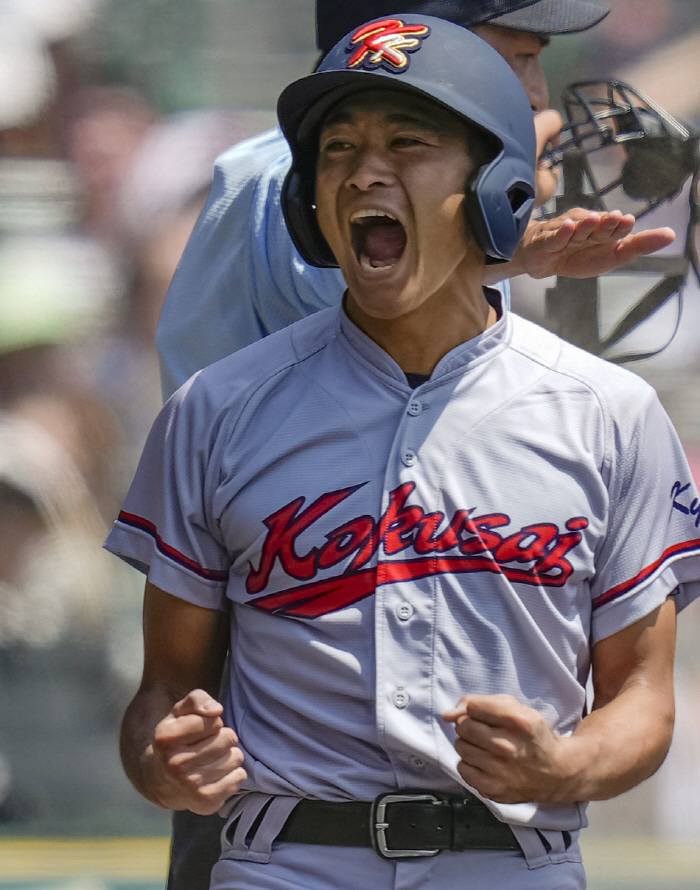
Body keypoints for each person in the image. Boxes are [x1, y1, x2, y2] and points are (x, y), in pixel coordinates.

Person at [106, 15, 700, 890]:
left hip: (515, 862)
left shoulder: (608, 413)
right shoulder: (218, 406)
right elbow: (162, 696)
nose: (363, 170)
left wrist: (566, 769)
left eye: (408, 142)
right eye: (338, 148)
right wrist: (161, 760)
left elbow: (643, 700)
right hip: (283, 858)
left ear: (495, 185)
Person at [156, 0, 677, 399]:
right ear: (409, 47)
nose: (537, 93)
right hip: (279, 520)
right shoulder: (302, 177)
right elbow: (373, 302)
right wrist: (508, 248)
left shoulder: (309, 160)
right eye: (519, 58)